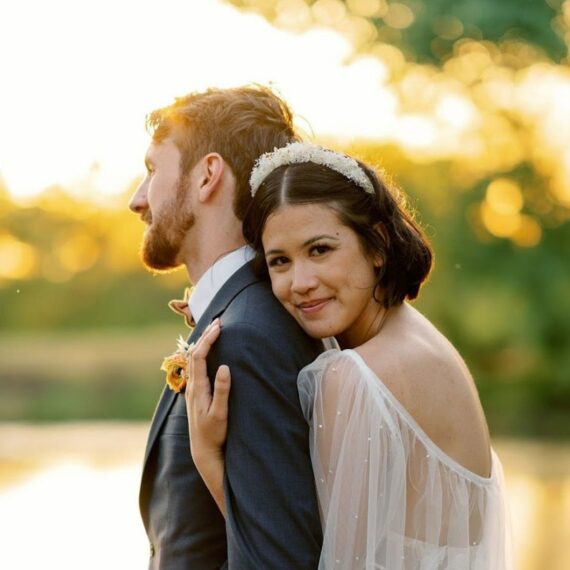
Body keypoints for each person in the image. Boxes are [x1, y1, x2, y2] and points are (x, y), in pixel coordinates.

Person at [186, 143, 513, 569]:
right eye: (280, 261)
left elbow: (304, 561)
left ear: (376, 243)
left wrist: (209, 459)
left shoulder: (355, 376)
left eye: (320, 250)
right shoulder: (427, 345)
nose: (300, 282)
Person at [129, 89, 327, 569]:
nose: (137, 200)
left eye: (153, 170)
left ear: (208, 176)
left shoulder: (247, 337)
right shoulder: (245, 315)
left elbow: (277, 561)